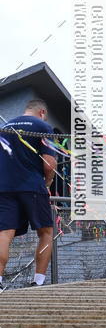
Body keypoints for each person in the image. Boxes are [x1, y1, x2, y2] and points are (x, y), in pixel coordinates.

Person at [0, 100, 57, 289]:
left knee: (4, 233)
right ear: (42, 112)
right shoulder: (42, 126)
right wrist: (47, 183)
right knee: (46, 232)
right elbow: (49, 163)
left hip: (5, 187)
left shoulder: (5, 127)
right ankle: (38, 281)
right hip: (32, 186)